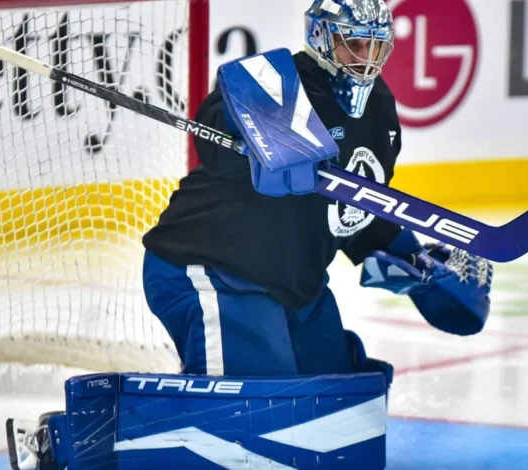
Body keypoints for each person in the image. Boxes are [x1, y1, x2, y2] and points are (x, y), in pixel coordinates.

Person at [141, 0, 493, 380]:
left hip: (296, 287)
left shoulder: (379, 108)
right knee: (262, 403)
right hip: (213, 270)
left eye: (375, 46)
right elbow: (213, 142)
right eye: (354, 44)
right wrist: (249, 127)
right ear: (321, 38)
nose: (366, 58)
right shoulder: (277, 83)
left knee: (342, 393)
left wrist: (412, 258)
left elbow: (352, 208)